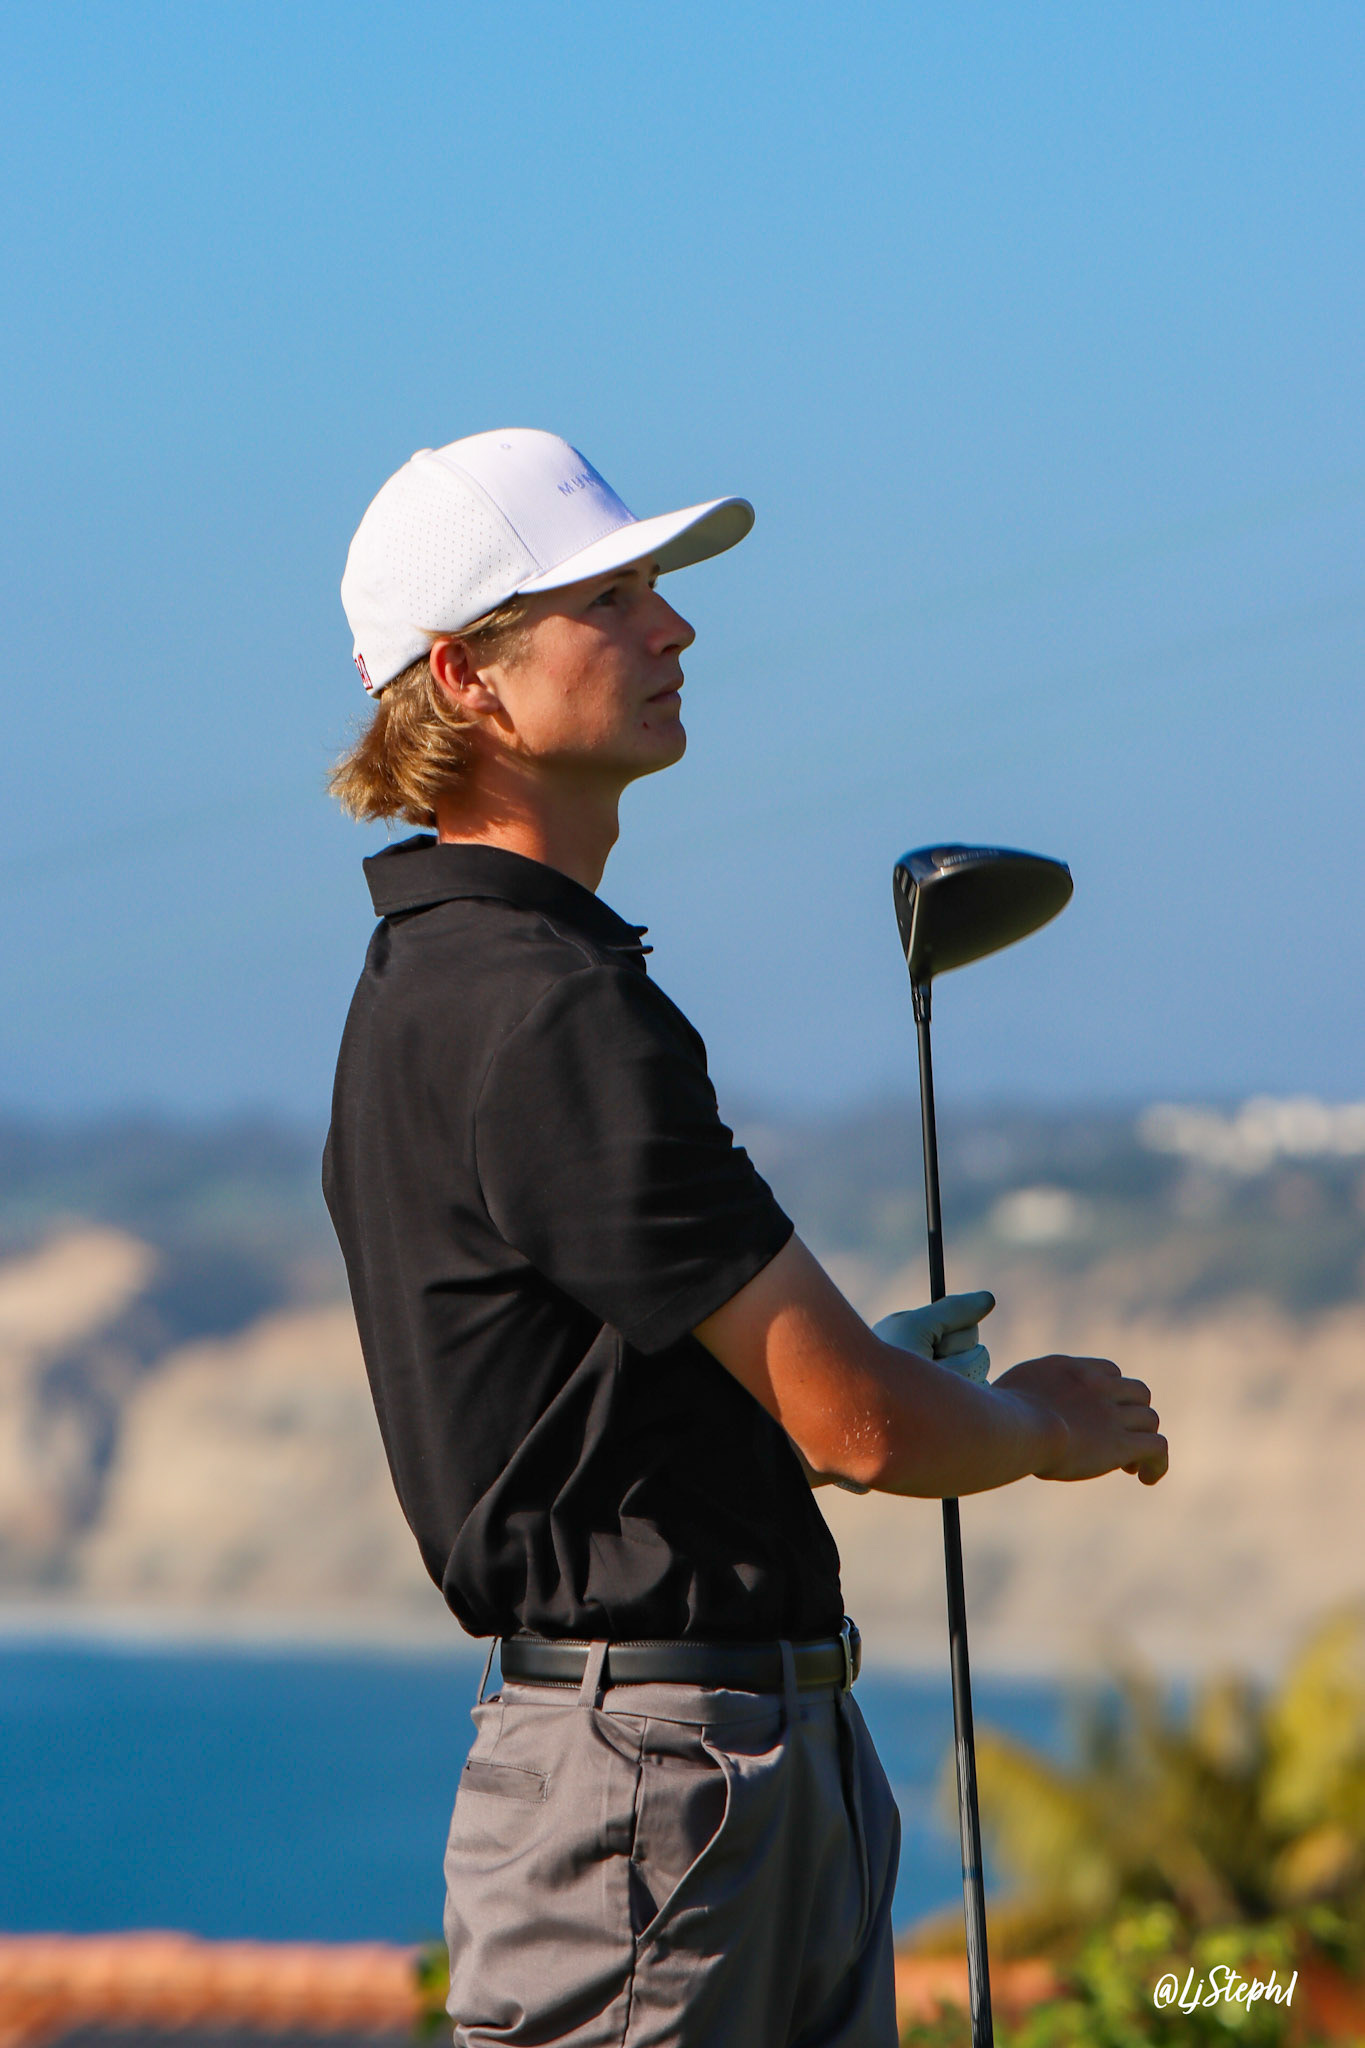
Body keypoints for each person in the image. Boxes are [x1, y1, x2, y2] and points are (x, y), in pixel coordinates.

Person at [322, 428, 1167, 2048]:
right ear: (466, 679)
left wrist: (847, 1389)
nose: (672, 627)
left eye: (653, 588)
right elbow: (858, 1428)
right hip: (656, 1794)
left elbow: (596, 1420)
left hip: (699, 1772)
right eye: (608, 600)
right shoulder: (543, 1007)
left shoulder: (460, 978)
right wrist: (1040, 1425)